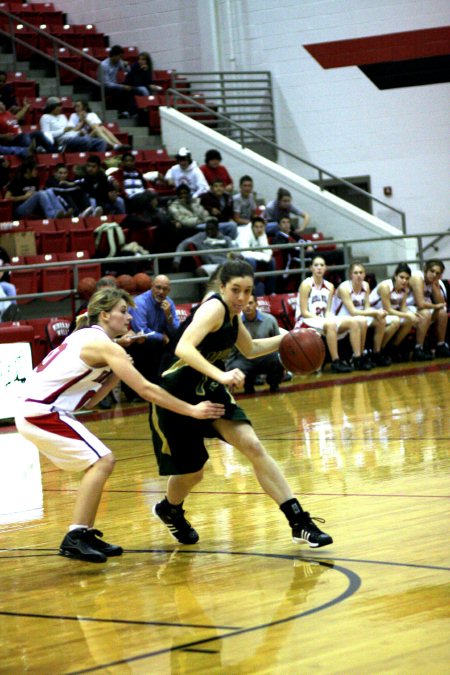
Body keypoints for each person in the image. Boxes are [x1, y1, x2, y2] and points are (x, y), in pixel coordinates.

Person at [14, 287, 224, 563]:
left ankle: (83, 533)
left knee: (101, 462)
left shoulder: (90, 338)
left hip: (42, 410)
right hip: (41, 411)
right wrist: (192, 410)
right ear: (104, 315)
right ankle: (76, 536)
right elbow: (147, 390)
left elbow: (91, 402)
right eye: (123, 312)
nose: (129, 318)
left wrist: (115, 371)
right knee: (102, 461)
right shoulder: (102, 343)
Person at [150, 259, 333, 549]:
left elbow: (250, 349)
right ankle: (169, 508)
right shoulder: (214, 309)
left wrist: (288, 338)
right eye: (235, 290)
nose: (242, 298)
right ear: (221, 287)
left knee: (254, 446)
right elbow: (184, 348)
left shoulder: (234, 316)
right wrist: (221, 374)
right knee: (193, 472)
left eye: (247, 291)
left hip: (207, 389)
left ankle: (299, 522)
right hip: (176, 394)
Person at [295, 256, 366, 373]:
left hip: (323, 320)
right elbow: (304, 312)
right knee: (331, 324)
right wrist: (324, 320)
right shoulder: (306, 284)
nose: (319, 268)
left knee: (353, 322)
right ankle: (335, 361)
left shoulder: (330, 286)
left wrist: (328, 317)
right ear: (311, 268)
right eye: (316, 265)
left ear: (325, 268)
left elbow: (328, 310)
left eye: (322, 265)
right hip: (306, 320)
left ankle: (357, 358)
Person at [334, 262, 399, 367]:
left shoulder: (366, 285)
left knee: (381, 320)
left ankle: (376, 353)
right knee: (362, 321)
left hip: (359, 316)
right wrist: (375, 312)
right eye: (355, 273)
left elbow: (367, 307)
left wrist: (377, 314)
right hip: (342, 318)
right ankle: (358, 356)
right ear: (350, 275)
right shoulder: (344, 288)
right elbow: (353, 311)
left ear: (364, 274)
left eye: (361, 272)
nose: (358, 275)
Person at [126, 275, 180, 391]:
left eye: (164, 289)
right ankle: (141, 389)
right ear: (151, 287)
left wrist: (168, 316)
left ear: (169, 291)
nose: (161, 292)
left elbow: (176, 331)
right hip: (139, 341)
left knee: (177, 344)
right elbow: (142, 330)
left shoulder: (169, 303)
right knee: (151, 344)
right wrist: (162, 337)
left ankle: (168, 385)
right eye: (158, 288)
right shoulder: (140, 302)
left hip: (158, 342)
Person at [226, 292, 284, 393]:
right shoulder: (236, 323)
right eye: (245, 304)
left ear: (257, 304)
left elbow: (279, 344)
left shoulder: (270, 320)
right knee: (235, 366)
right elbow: (232, 350)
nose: (248, 306)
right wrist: (228, 371)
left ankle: (274, 384)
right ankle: (248, 385)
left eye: (251, 303)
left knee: (278, 358)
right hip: (244, 359)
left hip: (265, 357)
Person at [369, 263, 420, 361]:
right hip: (373, 313)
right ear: (395, 276)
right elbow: (388, 309)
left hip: (387, 314)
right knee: (396, 321)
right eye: (401, 277)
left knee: (410, 321)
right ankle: (379, 351)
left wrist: (412, 314)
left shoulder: (405, 289)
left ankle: (393, 348)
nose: (404, 280)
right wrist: (407, 315)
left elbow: (403, 307)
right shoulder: (385, 287)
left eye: (407, 278)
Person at [406, 259, 450, 358]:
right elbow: (421, 304)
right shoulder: (417, 277)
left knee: (442, 313)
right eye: (432, 271)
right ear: (425, 269)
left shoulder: (433, 281)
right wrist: (435, 306)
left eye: (437, 273)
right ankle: (418, 348)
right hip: (405, 307)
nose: (434, 274)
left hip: (418, 308)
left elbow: (441, 303)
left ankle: (440, 346)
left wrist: (435, 284)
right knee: (425, 313)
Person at [5, 159, 73, 219]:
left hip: (34, 206)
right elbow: (7, 198)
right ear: (28, 170)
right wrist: (24, 197)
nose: (37, 171)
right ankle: (52, 216)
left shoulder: (35, 180)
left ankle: (62, 213)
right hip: (19, 209)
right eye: (35, 169)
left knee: (49, 190)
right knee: (40, 193)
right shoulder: (16, 181)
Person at [172, 217, 237, 276]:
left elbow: (234, 251)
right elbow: (183, 244)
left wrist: (236, 256)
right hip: (211, 265)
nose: (209, 231)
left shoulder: (226, 239)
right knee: (199, 271)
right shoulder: (200, 237)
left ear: (217, 229)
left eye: (211, 229)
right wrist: (177, 260)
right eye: (207, 229)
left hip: (225, 264)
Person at [40, 97, 108, 151]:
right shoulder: (45, 117)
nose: (60, 108)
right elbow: (46, 135)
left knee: (101, 142)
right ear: (52, 107)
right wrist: (63, 130)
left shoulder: (62, 116)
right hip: (63, 140)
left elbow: (70, 130)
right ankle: (83, 158)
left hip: (74, 136)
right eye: (58, 106)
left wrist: (79, 132)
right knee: (85, 140)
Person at [236, 216, 276, 295]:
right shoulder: (244, 234)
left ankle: (270, 292)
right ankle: (251, 292)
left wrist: (261, 238)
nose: (259, 229)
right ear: (252, 227)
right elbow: (245, 253)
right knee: (251, 261)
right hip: (240, 258)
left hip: (255, 256)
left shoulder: (262, 233)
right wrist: (264, 256)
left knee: (272, 261)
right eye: (256, 227)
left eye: (261, 227)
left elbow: (268, 253)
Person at [98, 45, 136, 118]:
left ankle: (129, 112)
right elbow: (106, 83)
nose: (121, 59)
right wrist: (122, 86)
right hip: (103, 87)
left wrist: (126, 65)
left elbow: (128, 71)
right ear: (114, 55)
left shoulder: (118, 62)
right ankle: (120, 111)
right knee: (120, 89)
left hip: (114, 85)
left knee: (130, 88)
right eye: (120, 57)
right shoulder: (103, 65)